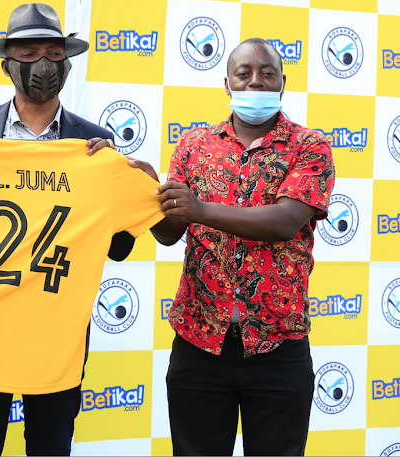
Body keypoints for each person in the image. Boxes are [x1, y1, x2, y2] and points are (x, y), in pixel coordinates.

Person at [0, 3, 134, 456]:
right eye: (28, 53)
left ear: (68, 63)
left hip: (57, 332)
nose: (42, 64)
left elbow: (118, 247)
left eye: (53, 52)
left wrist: (120, 178)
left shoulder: (93, 141)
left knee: (51, 447)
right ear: (7, 62)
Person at [143, 38, 335, 455]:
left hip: (277, 344)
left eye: (267, 74)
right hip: (199, 344)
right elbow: (171, 230)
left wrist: (200, 209)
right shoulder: (193, 146)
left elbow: (284, 222)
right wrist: (143, 190)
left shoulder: (311, 147)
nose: (256, 82)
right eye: (243, 73)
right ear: (226, 84)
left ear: (283, 82)